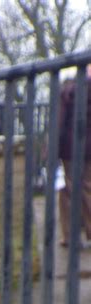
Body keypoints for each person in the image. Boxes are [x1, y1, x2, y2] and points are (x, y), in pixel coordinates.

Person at [58, 64, 91, 247]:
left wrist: (51, 149)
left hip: (70, 147)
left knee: (68, 189)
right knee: (87, 186)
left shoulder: (69, 91)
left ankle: (69, 236)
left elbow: (59, 121)